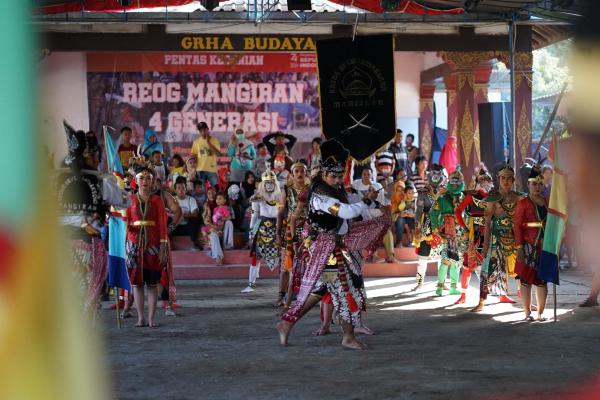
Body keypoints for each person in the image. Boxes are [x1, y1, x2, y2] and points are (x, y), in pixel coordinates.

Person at [277, 139, 391, 350]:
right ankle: (347, 336)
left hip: (334, 248)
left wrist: (376, 204)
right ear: (323, 174)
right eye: (334, 176)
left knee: (321, 290)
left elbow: (352, 200)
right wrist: (367, 201)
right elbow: (348, 211)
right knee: (345, 287)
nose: (338, 180)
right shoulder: (320, 196)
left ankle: (286, 323)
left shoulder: (335, 190)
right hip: (326, 252)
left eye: (340, 176)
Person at [55, 121, 130, 322]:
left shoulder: (56, 179)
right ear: (91, 156)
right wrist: (114, 182)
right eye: (97, 154)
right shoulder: (101, 181)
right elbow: (124, 202)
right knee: (86, 297)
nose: (99, 158)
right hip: (88, 247)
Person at [472, 163, 523, 312]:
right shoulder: (492, 199)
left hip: (516, 237)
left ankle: (527, 300)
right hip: (496, 238)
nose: (506, 181)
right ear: (498, 179)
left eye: (509, 178)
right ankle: (481, 302)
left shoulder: (519, 198)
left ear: (513, 180)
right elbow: (487, 224)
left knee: (522, 270)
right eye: (503, 178)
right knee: (488, 270)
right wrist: (486, 244)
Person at [125, 166, 168, 328]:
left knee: (151, 283)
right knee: (136, 283)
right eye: (141, 178)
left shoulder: (157, 200)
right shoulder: (130, 199)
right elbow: (125, 220)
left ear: (153, 181)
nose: (145, 181)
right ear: (135, 181)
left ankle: (151, 318)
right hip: (133, 244)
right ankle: (140, 318)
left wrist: (163, 245)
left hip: (154, 244)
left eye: (148, 178)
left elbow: (163, 224)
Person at [453, 167, 494, 304]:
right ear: (477, 181)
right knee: (468, 264)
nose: (485, 182)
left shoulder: (494, 197)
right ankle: (463, 295)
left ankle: (501, 294)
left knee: (494, 265)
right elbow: (457, 211)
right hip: (474, 234)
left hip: (491, 233)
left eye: (487, 180)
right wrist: (464, 227)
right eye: (482, 180)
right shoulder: (471, 196)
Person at [514, 164, 548, 321]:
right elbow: (517, 226)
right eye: (534, 183)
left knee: (542, 281)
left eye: (540, 183)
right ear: (528, 184)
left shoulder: (548, 202)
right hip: (527, 246)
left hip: (544, 245)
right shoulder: (523, 203)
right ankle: (527, 313)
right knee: (526, 280)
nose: (537, 186)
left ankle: (540, 313)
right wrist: (519, 247)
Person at [242, 165, 282, 294]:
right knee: (256, 256)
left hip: (278, 228)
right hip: (262, 227)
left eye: (271, 182)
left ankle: (285, 286)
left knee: (283, 257)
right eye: (267, 182)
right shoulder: (257, 197)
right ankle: (251, 283)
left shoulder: (281, 196)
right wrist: (251, 233)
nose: (269, 185)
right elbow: (254, 216)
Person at [277, 161, 310, 307]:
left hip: (307, 230)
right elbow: (280, 212)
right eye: (296, 171)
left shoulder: (310, 190)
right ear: (292, 174)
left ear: (306, 173)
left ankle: (302, 295)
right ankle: (281, 296)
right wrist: (278, 234)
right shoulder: (286, 189)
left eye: (302, 171)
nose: (299, 174)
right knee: (286, 265)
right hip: (289, 230)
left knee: (306, 263)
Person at [430, 166, 466, 296]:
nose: (455, 184)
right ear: (449, 181)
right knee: (445, 259)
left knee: (457, 260)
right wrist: (436, 228)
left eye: (458, 182)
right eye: (453, 181)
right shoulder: (442, 197)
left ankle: (453, 287)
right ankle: (439, 287)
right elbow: (434, 213)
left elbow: (467, 214)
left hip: (461, 231)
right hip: (447, 230)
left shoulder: (464, 197)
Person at [411, 164, 447, 292]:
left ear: (443, 176)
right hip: (426, 226)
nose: (436, 177)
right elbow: (418, 211)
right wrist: (417, 226)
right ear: (429, 176)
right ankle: (419, 283)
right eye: (433, 174)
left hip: (442, 226)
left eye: (438, 174)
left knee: (443, 256)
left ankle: (442, 283)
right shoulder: (423, 192)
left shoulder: (446, 192)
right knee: (423, 256)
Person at [202, 192, 234, 265]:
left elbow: (229, 217)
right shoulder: (215, 209)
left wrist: (222, 219)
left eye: (220, 199)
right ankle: (218, 257)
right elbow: (214, 221)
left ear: (225, 200)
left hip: (223, 231)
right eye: (217, 199)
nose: (218, 200)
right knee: (212, 233)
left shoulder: (226, 208)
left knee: (229, 222)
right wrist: (212, 226)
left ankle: (228, 245)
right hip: (217, 230)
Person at [171, 177, 201, 248]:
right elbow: (167, 213)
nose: (181, 190)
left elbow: (195, 213)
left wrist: (184, 215)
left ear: (186, 189)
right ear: (175, 190)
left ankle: (194, 243)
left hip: (188, 228)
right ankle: (169, 243)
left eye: (183, 188)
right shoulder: (172, 200)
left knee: (196, 219)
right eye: (178, 188)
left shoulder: (191, 199)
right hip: (175, 228)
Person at [191, 122, 222, 188]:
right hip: (200, 170)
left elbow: (218, 154)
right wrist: (193, 170)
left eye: (204, 130)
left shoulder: (215, 140)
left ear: (208, 129)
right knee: (201, 191)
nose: (203, 132)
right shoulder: (196, 142)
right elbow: (194, 156)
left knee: (216, 190)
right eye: (201, 131)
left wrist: (208, 142)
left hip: (212, 170)